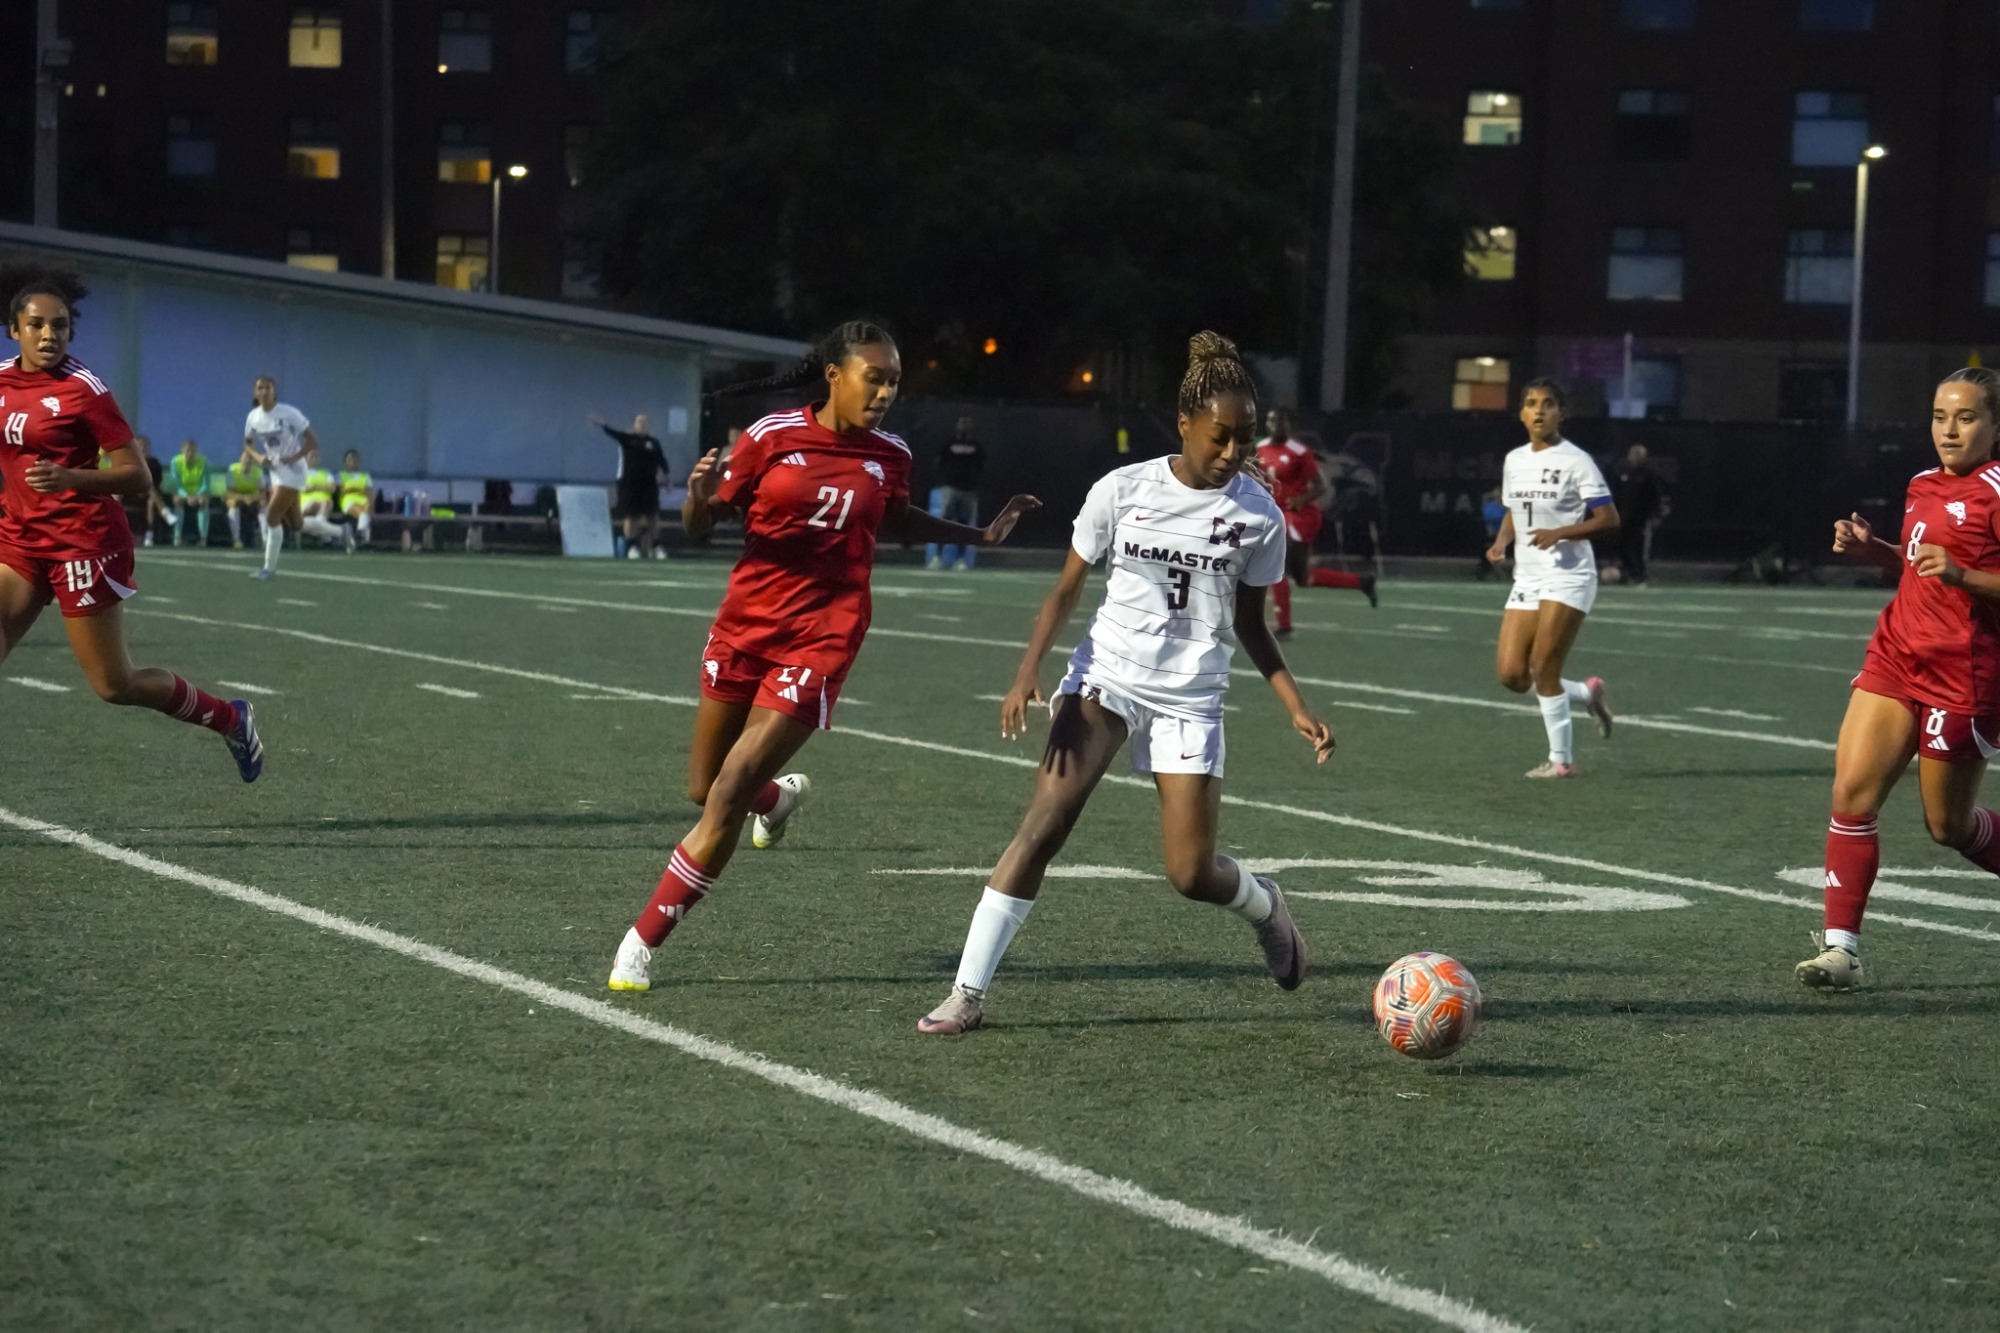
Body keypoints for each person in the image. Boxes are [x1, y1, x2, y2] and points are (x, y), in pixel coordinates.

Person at [917, 333, 1335, 1036]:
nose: (1233, 451)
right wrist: (1027, 672)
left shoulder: (1259, 515)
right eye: (1220, 436)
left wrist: (1295, 705)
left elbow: (1252, 624)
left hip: (1191, 698)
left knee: (1191, 873)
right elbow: (1066, 590)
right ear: (1184, 423)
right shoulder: (1121, 489)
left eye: (1243, 439)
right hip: (1105, 677)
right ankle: (966, 993)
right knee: (1043, 825)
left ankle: (1265, 904)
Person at [606, 320, 1040, 992]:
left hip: (825, 634)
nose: (886, 392)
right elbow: (700, 526)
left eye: (894, 381)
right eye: (876, 378)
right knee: (706, 786)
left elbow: (895, 517)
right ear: (835, 375)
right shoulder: (769, 437)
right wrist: (696, 496)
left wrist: (977, 534)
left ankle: (640, 942)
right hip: (745, 626)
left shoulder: (890, 453)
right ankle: (776, 800)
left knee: (726, 792)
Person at [0, 265, 264, 780]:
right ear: (14, 330)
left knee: (114, 684)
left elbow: (138, 475)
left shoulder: (84, 391)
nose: (49, 335)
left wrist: (70, 477)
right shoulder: (2, 380)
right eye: (36, 325)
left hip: (83, 544)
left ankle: (231, 718)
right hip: (21, 539)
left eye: (60, 325)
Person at [1797, 368, 2000, 990]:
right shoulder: (1922, 483)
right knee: (1851, 792)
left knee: (1948, 827)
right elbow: (1920, 569)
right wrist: (1876, 551)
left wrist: (1964, 575)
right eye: (1940, 417)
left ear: (1995, 425)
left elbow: (1957, 574)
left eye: (1966, 417)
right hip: (1897, 654)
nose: (1949, 430)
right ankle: (1841, 951)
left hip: (1965, 674)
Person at [1484, 377, 1618, 779]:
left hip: (1569, 575)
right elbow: (1515, 510)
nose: (1539, 410)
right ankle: (1585, 693)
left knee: (1544, 666)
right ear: (1521, 414)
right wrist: (1502, 541)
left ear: (1562, 413)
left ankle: (1562, 761)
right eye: (1531, 403)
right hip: (1528, 576)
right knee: (1511, 674)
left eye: (1548, 404)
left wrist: (1560, 532)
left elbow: (1608, 519)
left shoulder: (1577, 461)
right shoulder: (1515, 460)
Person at [1254, 408, 1375, 635]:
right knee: (1303, 577)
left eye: (1281, 420)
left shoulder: (1299, 451)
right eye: (1272, 420)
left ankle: (1284, 625)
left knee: (1275, 560)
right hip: (1278, 515)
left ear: (1289, 425)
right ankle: (1361, 582)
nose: (1276, 424)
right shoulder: (1260, 448)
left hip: (1300, 517)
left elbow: (1320, 486)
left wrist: (1300, 500)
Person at [242, 375, 319, 580]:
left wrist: (293, 458)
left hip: (294, 471)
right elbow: (248, 444)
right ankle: (341, 532)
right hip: (275, 472)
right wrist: (259, 457)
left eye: (268, 387)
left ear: (274, 391)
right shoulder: (253, 417)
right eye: (260, 388)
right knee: (296, 524)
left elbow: (312, 441)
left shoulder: (288, 413)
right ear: (255, 392)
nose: (264, 391)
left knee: (271, 516)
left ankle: (269, 569)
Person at [588, 412, 669, 559]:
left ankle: (656, 546)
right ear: (634, 425)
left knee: (652, 516)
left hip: (649, 484)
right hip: (630, 484)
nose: (642, 425)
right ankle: (632, 546)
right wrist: (603, 425)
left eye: (644, 423)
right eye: (639, 422)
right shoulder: (627, 439)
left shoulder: (653, 442)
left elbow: (662, 461)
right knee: (631, 516)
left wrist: (667, 478)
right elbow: (613, 433)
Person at [925, 415, 985, 571]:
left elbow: (981, 465)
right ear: (956, 425)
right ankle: (937, 558)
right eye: (962, 423)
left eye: (967, 423)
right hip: (950, 487)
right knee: (945, 522)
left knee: (963, 525)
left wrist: (972, 481)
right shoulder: (949, 443)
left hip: (968, 490)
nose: (964, 426)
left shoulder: (976, 446)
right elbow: (939, 462)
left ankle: (960, 560)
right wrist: (945, 479)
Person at [1615, 443, 1668, 586]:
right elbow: (1617, 494)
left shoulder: (1649, 473)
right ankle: (1627, 572)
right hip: (1623, 517)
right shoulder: (1623, 472)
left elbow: (1655, 496)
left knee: (1638, 547)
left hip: (1641, 518)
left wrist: (1655, 515)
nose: (1635, 457)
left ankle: (1640, 575)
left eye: (1639, 454)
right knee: (1622, 545)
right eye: (1634, 454)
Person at [165, 438, 211, 547]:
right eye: (187, 451)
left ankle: (203, 539)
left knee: (204, 501)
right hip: (182, 493)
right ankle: (177, 537)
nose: (190, 453)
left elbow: (206, 484)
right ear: (182, 451)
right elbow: (177, 484)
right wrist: (186, 496)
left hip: (198, 493)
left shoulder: (203, 461)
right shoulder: (176, 462)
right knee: (177, 500)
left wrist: (197, 495)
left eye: (193, 451)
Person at [298, 463, 349, 549]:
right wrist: (323, 487)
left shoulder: (326, 472)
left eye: (315, 457)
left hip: (324, 503)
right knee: (315, 504)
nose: (313, 459)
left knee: (326, 503)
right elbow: (303, 488)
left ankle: (322, 536)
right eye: (311, 456)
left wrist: (315, 486)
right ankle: (334, 534)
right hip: (306, 504)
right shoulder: (300, 473)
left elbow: (332, 488)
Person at [222, 453, 262, 549]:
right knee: (233, 508)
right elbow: (229, 492)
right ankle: (236, 540)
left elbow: (262, 492)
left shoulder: (258, 472)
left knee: (264, 507)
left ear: (253, 461)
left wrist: (253, 498)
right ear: (240, 459)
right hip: (236, 498)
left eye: (250, 459)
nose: (247, 461)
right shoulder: (233, 469)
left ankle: (265, 540)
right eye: (245, 458)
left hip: (252, 499)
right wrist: (243, 498)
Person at [337, 450, 374, 549]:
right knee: (362, 512)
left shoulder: (366, 476)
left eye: (355, 459)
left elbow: (369, 493)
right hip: (348, 502)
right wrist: (360, 490)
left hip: (363, 502)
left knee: (365, 509)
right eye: (349, 460)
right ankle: (361, 535)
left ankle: (360, 536)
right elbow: (342, 490)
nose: (352, 462)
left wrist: (351, 489)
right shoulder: (341, 475)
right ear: (345, 462)